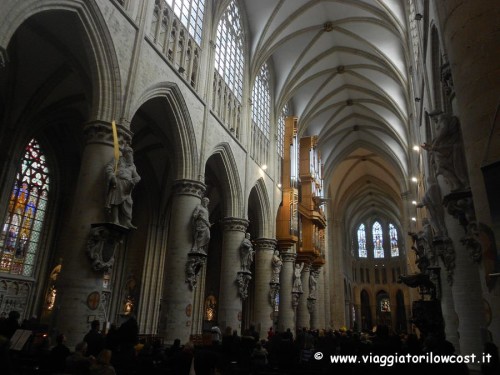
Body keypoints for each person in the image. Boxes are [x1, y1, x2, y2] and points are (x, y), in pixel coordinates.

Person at [422, 112, 468, 192]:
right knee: (441, 168)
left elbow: (444, 129)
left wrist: (435, 144)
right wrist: (431, 147)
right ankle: (455, 184)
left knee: (443, 167)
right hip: (444, 145)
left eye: (433, 119)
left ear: (434, 116)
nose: (434, 121)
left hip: (449, 145)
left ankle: (457, 183)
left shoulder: (442, 117)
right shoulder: (441, 119)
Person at [105, 145, 141, 229]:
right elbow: (109, 168)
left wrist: (137, 179)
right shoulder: (118, 160)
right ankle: (115, 220)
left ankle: (127, 221)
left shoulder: (132, 166)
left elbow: (136, 175)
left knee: (129, 202)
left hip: (127, 186)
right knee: (115, 202)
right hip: (118, 182)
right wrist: (112, 176)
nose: (130, 155)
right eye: (128, 153)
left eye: (131, 153)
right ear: (124, 154)